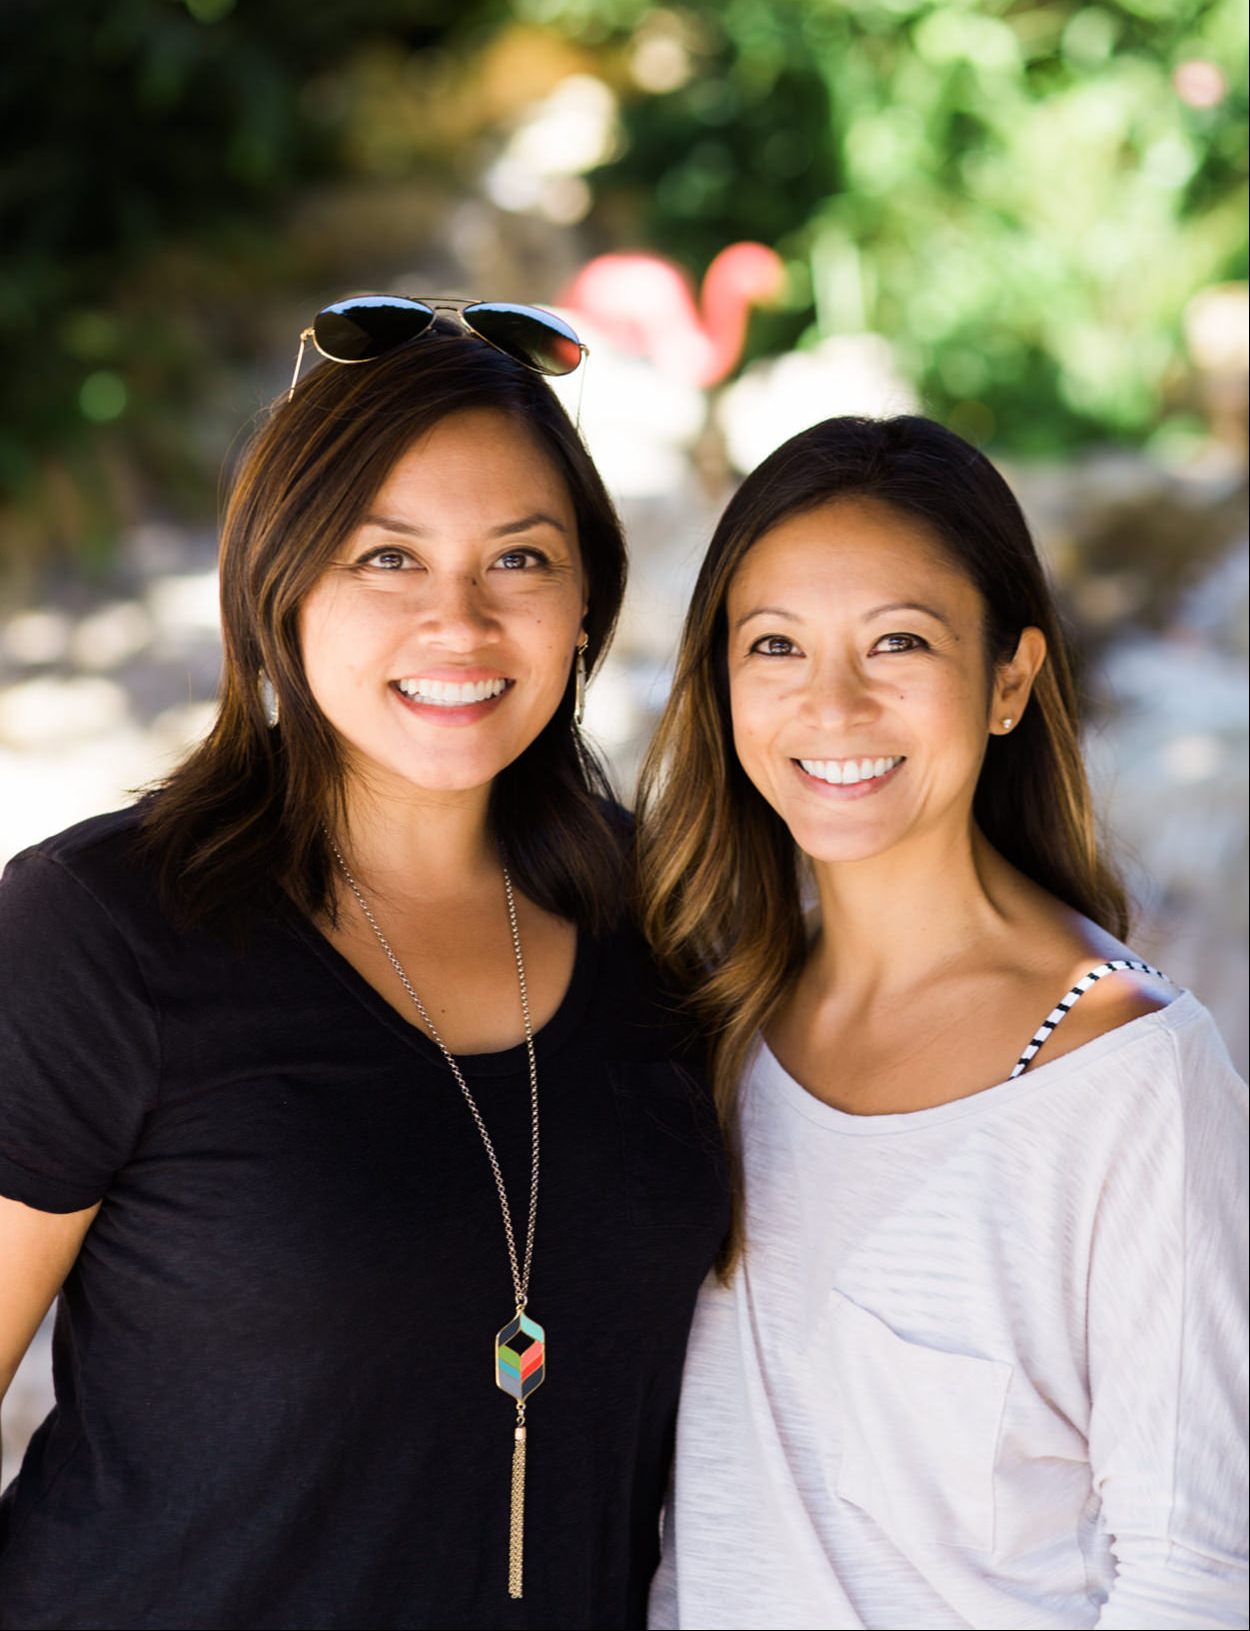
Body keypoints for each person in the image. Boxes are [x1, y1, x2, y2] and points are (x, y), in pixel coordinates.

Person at [0, 299, 728, 1630]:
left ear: (582, 609)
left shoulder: (672, 925)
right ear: (280, 585)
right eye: (386, 558)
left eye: (519, 559)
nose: (459, 622)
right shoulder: (100, 928)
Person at [638, 415, 1247, 1630]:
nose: (832, 705)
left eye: (898, 642)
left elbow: (1192, 1576)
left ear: (1009, 680)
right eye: (774, 646)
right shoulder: (701, 1016)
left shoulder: (1130, 1079)